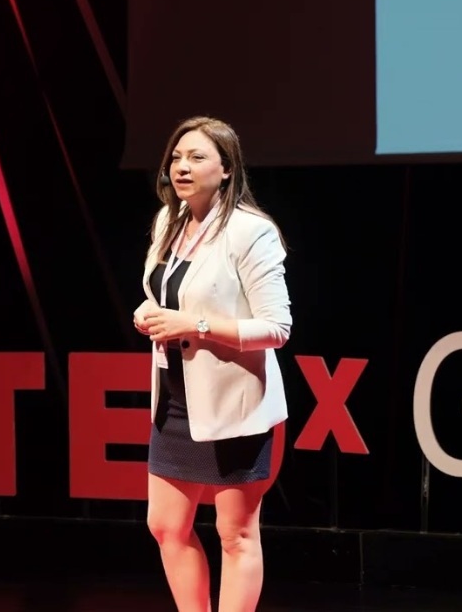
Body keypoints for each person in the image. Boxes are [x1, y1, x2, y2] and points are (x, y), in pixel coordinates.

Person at [133, 116, 291, 612]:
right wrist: (149, 311)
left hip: (235, 403)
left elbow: (277, 328)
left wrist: (194, 325)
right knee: (165, 525)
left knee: (235, 532)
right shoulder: (169, 221)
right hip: (176, 399)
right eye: (176, 157)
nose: (182, 166)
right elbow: (171, 295)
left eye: (197, 157)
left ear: (226, 169)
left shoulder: (251, 232)